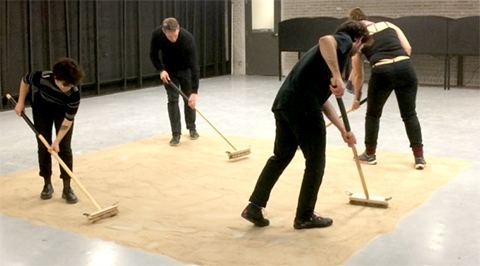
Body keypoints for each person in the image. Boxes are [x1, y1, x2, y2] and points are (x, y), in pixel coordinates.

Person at [241, 21, 370, 230]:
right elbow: (325, 39)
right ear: (359, 40)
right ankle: (305, 216)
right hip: (303, 107)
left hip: (285, 104)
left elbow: (322, 100)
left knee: (281, 156)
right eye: (362, 47)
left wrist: (343, 130)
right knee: (316, 161)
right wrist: (337, 75)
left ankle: (254, 206)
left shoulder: (325, 59)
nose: (359, 50)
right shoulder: (344, 41)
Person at [347, 7, 426, 170]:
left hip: (382, 71)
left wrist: (356, 99)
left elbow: (358, 74)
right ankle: (419, 158)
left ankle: (369, 154)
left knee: (373, 114)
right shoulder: (389, 25)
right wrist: (398, 67)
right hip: (406, 68)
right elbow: (408, 48)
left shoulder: (358, 39)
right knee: (410, 114)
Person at [14, 58, 85, 204]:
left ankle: (67, 188)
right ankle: (47, 184)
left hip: (61, 112)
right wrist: (20, 102)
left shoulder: (74, 93)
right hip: (41, 110)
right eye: (64, 84)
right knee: (44, 146)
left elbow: (68, 120)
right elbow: (25, 80)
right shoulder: (42, 78)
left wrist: (57, 141)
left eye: (70, 84)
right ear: (56, 78)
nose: (67, 87)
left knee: (64, 148)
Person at [150, 17, 200, 146]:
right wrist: (161, 70)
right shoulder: (157, 35)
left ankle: (192, 127)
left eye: (175, 36)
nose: (173, 39)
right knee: (172, 100)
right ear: (163, 31)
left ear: (178, 29)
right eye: (170, 37)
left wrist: (195, 92)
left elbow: (195, 66)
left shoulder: (187, 39)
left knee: (188, 99)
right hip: (169, 71)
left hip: (185, 70)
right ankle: (176, 134)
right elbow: (153, 55)